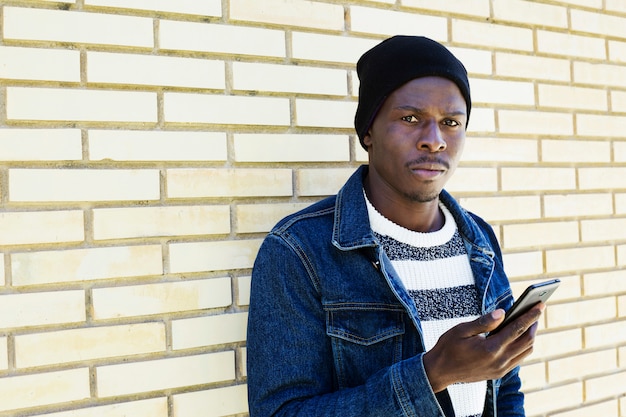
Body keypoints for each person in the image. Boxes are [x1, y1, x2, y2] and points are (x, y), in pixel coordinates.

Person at [247, 35, 544, 417]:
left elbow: (505, 390)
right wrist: (430, 375)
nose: (434, 141)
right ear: (368, 131)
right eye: (410, 118)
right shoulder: (300, 250)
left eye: (451, 122)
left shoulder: (479, 239)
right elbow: (280, 412)